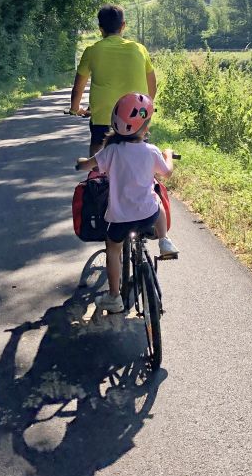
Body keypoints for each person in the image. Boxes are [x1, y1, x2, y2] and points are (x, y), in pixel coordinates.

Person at [76, 92, 178, 314]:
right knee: (157, 198)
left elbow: (88, 166)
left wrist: (81, 163)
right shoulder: (151, 151)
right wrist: (167, 154)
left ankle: (114, 298)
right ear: (146, 126)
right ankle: (164, 241)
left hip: (120, 219)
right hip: (148, 215)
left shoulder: (111, 151)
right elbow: (167, 173)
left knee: (113, 249)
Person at [70, 4, 156, 155]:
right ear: (123, 26)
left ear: (100, 28)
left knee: (97, 147)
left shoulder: (92, 51)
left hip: (104, 117)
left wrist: (75, 108)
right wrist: (146, 108)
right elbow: (152, 86)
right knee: (142, 153)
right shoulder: (140, 49)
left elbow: (78, 88)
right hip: (137, 117)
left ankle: (95, 174)